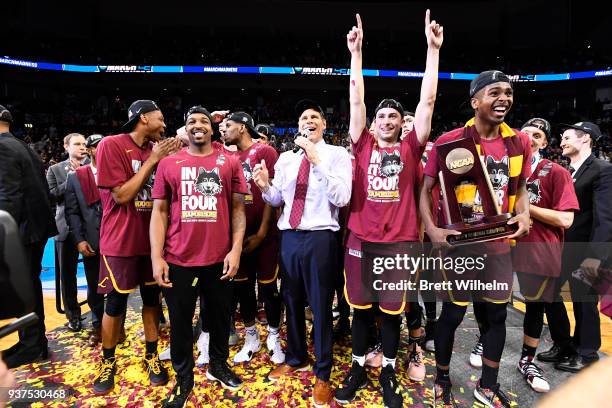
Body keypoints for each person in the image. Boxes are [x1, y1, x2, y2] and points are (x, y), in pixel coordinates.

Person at [335, 10, 442, 408]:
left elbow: (427, 98)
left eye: (393, 116)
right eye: (380, 115)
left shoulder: (413, 146)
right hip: (361, 240)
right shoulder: (360, 142)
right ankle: (359, 366)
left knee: (392, 314)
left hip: (398, 244)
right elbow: (356, 96)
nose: (385, 120)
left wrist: (432, 51)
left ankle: (390, 373)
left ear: (402, 123)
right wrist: (356, 53)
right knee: (361, 313)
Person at [420, 70, 531, 407]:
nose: (504, 99)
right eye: (495, 92)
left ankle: (488, 384)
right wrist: (433, 229)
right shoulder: (450, 141)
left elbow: (521, 187)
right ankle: (441, 377)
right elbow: (425, 191)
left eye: (508, 93)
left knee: (496, 317)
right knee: (452, 316)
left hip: (499, 246)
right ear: (475, 101)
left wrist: (524, 213)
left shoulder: (519, 141)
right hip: (461, 248)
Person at [253, 99, 352, 407]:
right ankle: (297, 358)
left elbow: (343, 197)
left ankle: (323, 373)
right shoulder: (285, 158)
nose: (309, 120)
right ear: (298, 127)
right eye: (303, 118)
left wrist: (316, 159)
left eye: (314, 116)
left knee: (321, 307)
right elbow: (277, 199)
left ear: (323, 125)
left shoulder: (337, 155)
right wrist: (263, 186)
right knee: (291, 302)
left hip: (321, 236)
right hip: (290, 237)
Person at [151, 106, 247, 407]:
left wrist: (236, 249)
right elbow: (160, 212)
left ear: (212, 128)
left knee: (220, 319)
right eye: (192, 121)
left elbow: (238, 210)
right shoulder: (169, 163)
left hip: (219, 258)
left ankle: (219, 365)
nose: (198, 125)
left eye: (204, 121)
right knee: (180, 323)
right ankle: (184, 377)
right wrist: (157, 256)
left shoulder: (228, 161)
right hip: (179, 259)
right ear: (185, 129)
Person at [92, 100, 181, 395]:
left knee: (153, 300)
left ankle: (152, 355)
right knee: (115, 303)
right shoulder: (112, 145)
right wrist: (153, 160)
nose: (165, 123)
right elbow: (122, 195)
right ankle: (108, 360)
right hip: (121, 240)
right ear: (144, 118)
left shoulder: (160, 149)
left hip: (154, 242)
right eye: (161, 116)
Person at [512, 118, 579, 393]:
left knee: (536, 306)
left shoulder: (556, 172)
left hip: (537, 249)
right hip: (501, 246)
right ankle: (484, 343)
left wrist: (525, 207)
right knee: (490, 301)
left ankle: (527, 360)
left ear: (544, 142)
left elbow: (565, 219)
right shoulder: (504, 168)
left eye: (536, 135)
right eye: (524, 133)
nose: (529, 138)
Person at [547, 121, 612, 373]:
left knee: (584, 301)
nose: (561, 142)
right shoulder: (568, 171)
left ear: (585, 138)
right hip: (564, 249)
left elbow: (606, 219)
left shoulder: (602, 169)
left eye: (566, 138)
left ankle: (587, 353)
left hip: (587, 251)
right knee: (550, 294)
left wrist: (596, 258)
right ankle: (564, 344)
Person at [223, 112, 284, 365]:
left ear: (243, 127)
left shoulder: (265, 151)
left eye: (228, 125)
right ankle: (251, 337)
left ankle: (273, 336)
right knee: (243, 290)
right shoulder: (225, 157)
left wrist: (261, 232)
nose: (223, 130)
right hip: (238, 238)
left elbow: (271, 191)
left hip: (266, 235)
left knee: (269, 290)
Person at [0, 105, 57, 368]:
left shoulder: (3, 147)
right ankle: (34, 342)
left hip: (22, 231)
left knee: (22, 289)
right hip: (34, 229)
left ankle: (32, 344)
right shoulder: (22, 146)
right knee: (29, 287)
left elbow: (7, 196)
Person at [64, 134, 107, 346]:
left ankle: (117, 328)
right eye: (98, 146)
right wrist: (79, 240)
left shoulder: (118, 173)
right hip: (92, 240)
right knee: (94, 287)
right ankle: (98, 326)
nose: (102, 149)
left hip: (116, 240)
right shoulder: (76, 176)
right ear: (89, 150)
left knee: (120, 288)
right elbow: (72, 213)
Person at [47, 132, 88, 331]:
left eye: (84, 143)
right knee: (68, 276)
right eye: (77, 144)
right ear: (66, 147)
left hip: (91, 228)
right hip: (65, 228)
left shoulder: (94, 166)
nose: (82, 147)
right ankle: (73, 316)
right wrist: (73, 177)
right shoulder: (55, 169)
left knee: (97, 273)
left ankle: (98, 313)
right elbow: (52, 195)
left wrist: (85, 174)